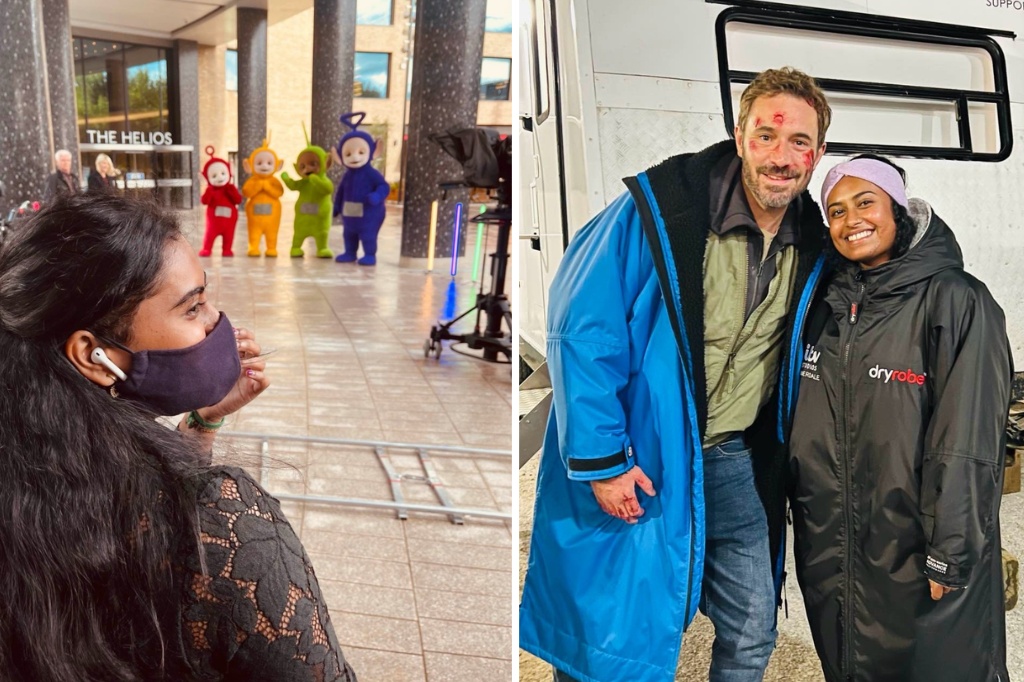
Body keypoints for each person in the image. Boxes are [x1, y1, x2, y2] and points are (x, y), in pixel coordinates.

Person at [520, 67, 832, 682]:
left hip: (736, 463)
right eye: (767, 135)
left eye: (800, 142)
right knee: (613, 629)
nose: (782, 155)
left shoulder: (813, 243)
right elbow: (583, 332)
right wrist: (603, 459)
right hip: (647, 458)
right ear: (739, 137)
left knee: (752, 629)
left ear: (816, 155)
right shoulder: (661, 211)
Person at [0, 193, 357, 681]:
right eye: (193, 307)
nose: (216, 321)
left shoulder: (30, 477)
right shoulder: (226, 526)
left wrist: (202, 425)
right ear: (91, 354)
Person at [787, 155, 1011, 681]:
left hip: (915, 542)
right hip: (834, 543)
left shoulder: (956, 299)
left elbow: (970, 438)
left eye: (865, 203)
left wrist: (952, 550)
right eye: (835, 211)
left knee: (939, 665)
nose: (851, 220)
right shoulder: (823, 305)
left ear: (898, 210)